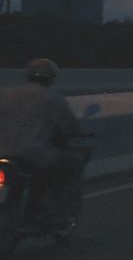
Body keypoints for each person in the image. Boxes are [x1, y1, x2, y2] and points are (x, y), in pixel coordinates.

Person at [0, 59, 89, 231]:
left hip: (3, 152)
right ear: (51, 78)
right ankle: (59, 215)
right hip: (34, 155)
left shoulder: (5, 94)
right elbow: (71, 127)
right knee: (74, 164)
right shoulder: (54, 99)